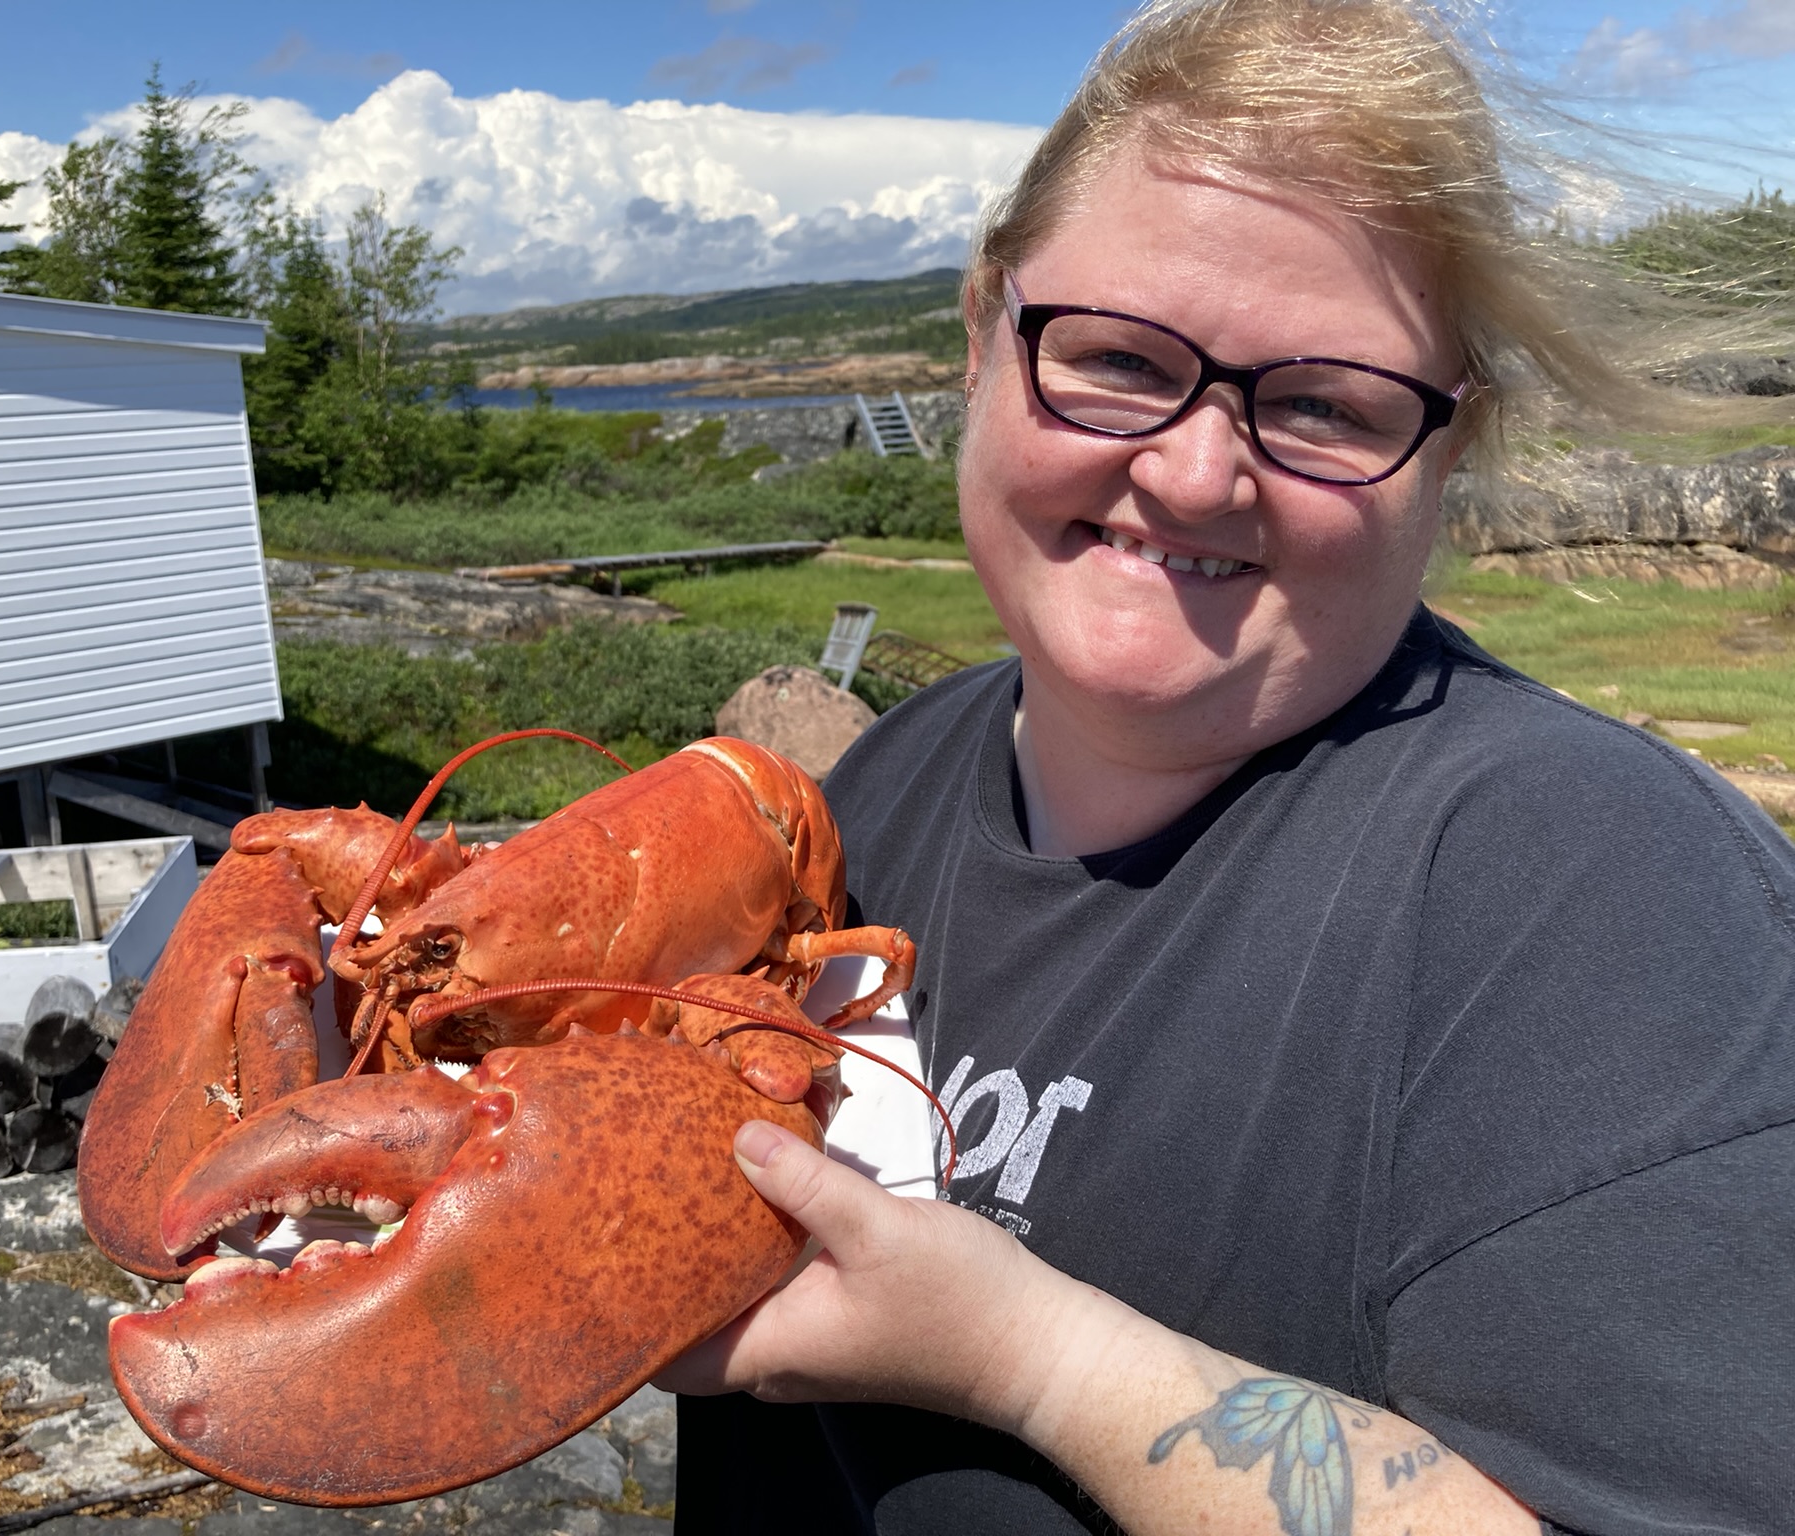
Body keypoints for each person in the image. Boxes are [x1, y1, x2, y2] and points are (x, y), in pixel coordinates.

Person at [658, 2, 1795, 1533]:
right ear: (985, 328)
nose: (1195, 471)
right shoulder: (880, 788)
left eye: (1323, 403)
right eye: (1119, 358)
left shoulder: (1594, 892)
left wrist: (1035, 1362)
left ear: (1450, 447)